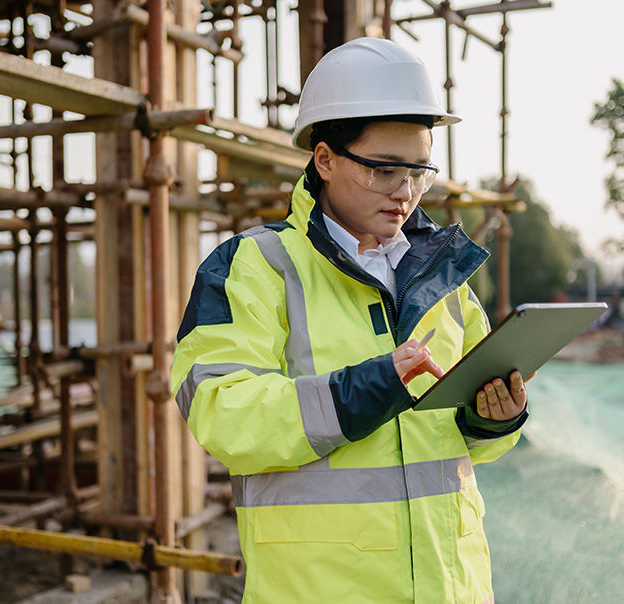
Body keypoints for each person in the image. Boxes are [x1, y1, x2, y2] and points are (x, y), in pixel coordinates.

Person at [171, 36, 528, 604]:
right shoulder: (256, 266)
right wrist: (368, 388)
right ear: (326, 159)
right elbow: (222, 414)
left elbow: (459, 451)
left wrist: (493, 421)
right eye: (384, 170)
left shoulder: (440, 276)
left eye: (419, 170)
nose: (406, 192)